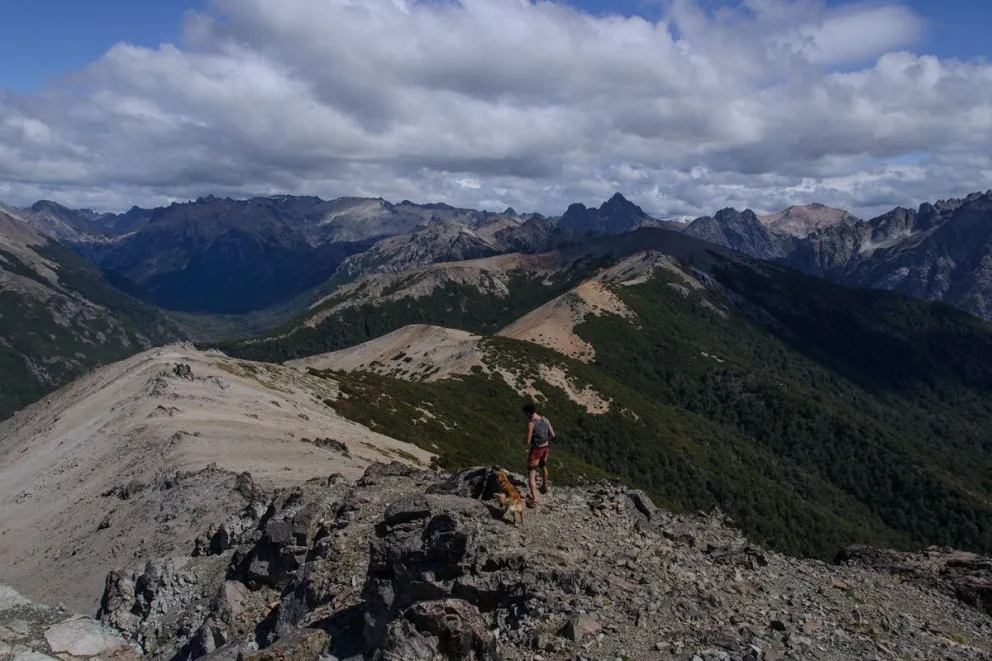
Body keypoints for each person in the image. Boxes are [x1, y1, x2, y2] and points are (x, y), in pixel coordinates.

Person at [523, 402, 554, 506]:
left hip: (536, 449)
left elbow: (527, 442)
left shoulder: (531, 424)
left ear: (528, 413)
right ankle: (544, 486)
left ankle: (535, 498)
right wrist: (544, 438)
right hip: (546, 447)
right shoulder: (545, 419)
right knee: (543, 466)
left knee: (532, 473)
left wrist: (527, 441)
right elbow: (552, 434)